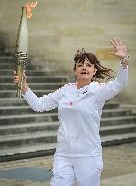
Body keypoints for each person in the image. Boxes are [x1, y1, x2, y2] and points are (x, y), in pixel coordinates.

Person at [14, 38, 129, 186]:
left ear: (94, 71)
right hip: (64, 154)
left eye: (88, 65)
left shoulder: (99, 91)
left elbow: (120, 84)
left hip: (88, 155)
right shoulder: (65, 90)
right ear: (75, 70)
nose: (84, 67)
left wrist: (124, 61)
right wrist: (24, 88)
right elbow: (39, 105)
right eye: (80, 65)